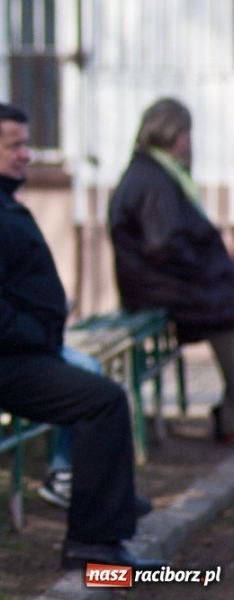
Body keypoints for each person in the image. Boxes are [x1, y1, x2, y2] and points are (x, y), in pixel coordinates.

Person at [0, 98, 165, 569]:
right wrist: (38, 331)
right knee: (99, 401)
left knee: (101, 393)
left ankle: (107, 527)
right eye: (15, 145)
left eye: (27, 144)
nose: (26, 154)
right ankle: (93, 546)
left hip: (6, 351)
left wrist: (41, 327)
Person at [109, 97, 234, 445]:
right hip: (160, 286)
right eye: (185, 133)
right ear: (170, 134)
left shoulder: (157, 172)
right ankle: (230, 420)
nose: (188, 142)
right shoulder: (153, 178)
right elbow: (164, 246)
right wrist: (210, 272)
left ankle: (229, 414)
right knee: (227, 310)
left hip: (168, 281)